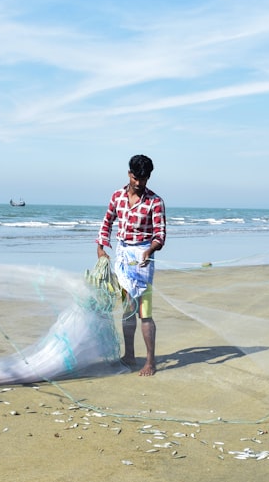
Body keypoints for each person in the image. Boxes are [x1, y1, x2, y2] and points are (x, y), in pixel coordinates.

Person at [96, 154, 166, 376]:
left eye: (143, 179)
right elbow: (107, 222)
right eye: (136, 177)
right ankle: (129, 355)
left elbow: (160, 235)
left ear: (148, 178)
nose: (139, 183)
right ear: (129, 174)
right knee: (128, 309)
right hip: (123, 254)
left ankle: (150, 362)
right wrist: (101, 247)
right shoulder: (117, 196)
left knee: (144, 311)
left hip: (143, 257)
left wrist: (150, 250)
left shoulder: (155, 202)